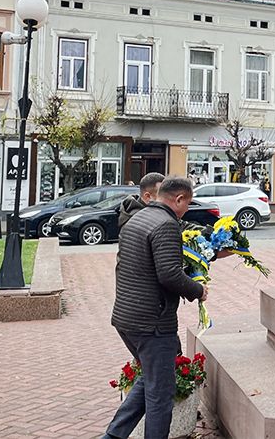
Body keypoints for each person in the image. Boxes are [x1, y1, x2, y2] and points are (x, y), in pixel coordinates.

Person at [102, 175, 207, 439]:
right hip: (152, 323)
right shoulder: (165, 224)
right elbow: (169, 275)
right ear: (179, 198)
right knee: (160, 395)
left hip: (126, 318)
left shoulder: (137, 218)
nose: (186, 210)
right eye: (187, 204)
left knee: (149, 379)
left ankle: (113, 436)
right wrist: (198, 290)